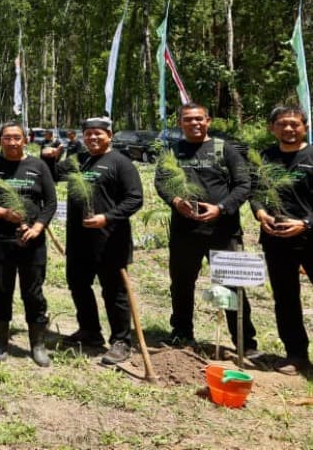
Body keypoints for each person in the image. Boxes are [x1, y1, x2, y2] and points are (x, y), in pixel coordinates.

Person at [153, 102, 258, 356]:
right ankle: (181, 333)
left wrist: (220, 208)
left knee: (231, 284)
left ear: (208, 121)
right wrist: (176, 201)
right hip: (184, 232)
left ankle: (245, 343)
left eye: (199, 119)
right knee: (181, 283)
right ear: (180, 123)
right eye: (188, 119)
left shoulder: (226, 150)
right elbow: (161, 182)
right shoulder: (173, 152)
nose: (194, 123)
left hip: (223, 231)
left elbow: (244, 185)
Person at [59, 117, 143, 366]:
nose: (93, 138)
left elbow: (134, 199)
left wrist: (107, 217)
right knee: (78, 284)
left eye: (98, 133)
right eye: (88, 134)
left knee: (114, 292)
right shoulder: (79, 162)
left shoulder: (121, 163)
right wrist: (50, 155)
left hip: (110, 239)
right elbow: (52, 173)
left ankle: (121, 341)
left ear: (110, 135)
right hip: (78, 238)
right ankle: (90, 331)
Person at [0, 122, 56, 367]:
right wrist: (1, 212)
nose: (12, 142)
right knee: (2, 290)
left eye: (17, 137)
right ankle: (1, 341)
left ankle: (37, 344)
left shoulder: (38, 166)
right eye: (7, 138)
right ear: (0, 140)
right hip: (1, 240)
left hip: (32, 242)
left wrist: (37, 227)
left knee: (33, 292)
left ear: (25, 140)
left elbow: (51, 203)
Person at [249, 106, 313, 376]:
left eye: (294, 124)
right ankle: (296, 355)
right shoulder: (264, 157)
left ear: (305, 127)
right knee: (286, 298)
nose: (289, 129)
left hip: (310, 236)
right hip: (276, 239)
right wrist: (260, 212)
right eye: (282, 124)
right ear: (272, 127)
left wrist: (306, 223)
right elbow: (255, 191)